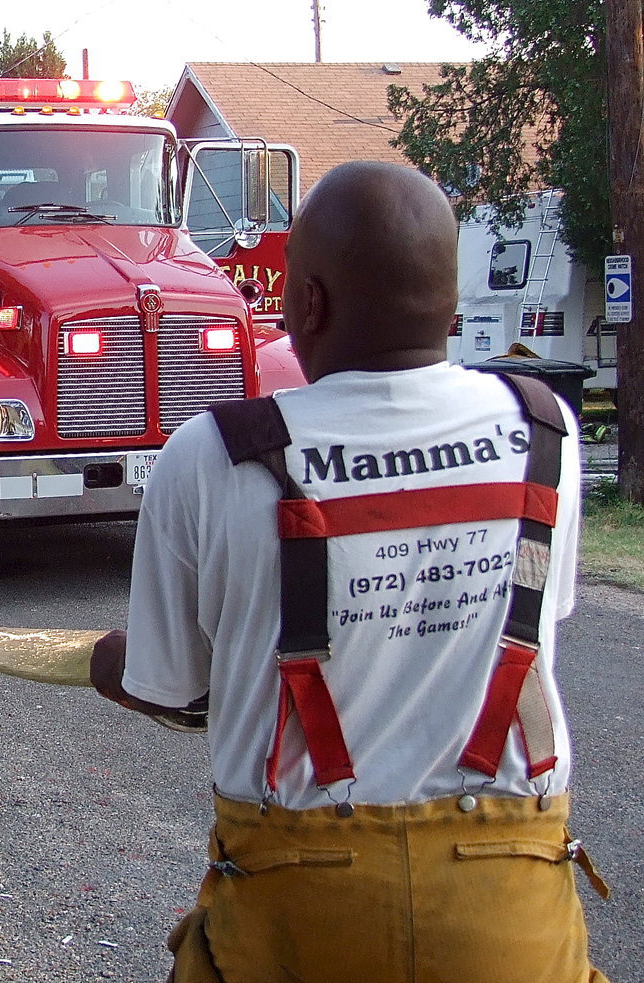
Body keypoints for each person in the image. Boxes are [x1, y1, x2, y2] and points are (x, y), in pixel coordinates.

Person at [91, 162, 607, 982]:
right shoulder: (547, 434)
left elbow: (173, 688)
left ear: (305, 303)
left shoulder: (211, 455)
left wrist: (109, 664)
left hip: (297, 913)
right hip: (505, 908)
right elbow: (531, 626)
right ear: (450, 299)